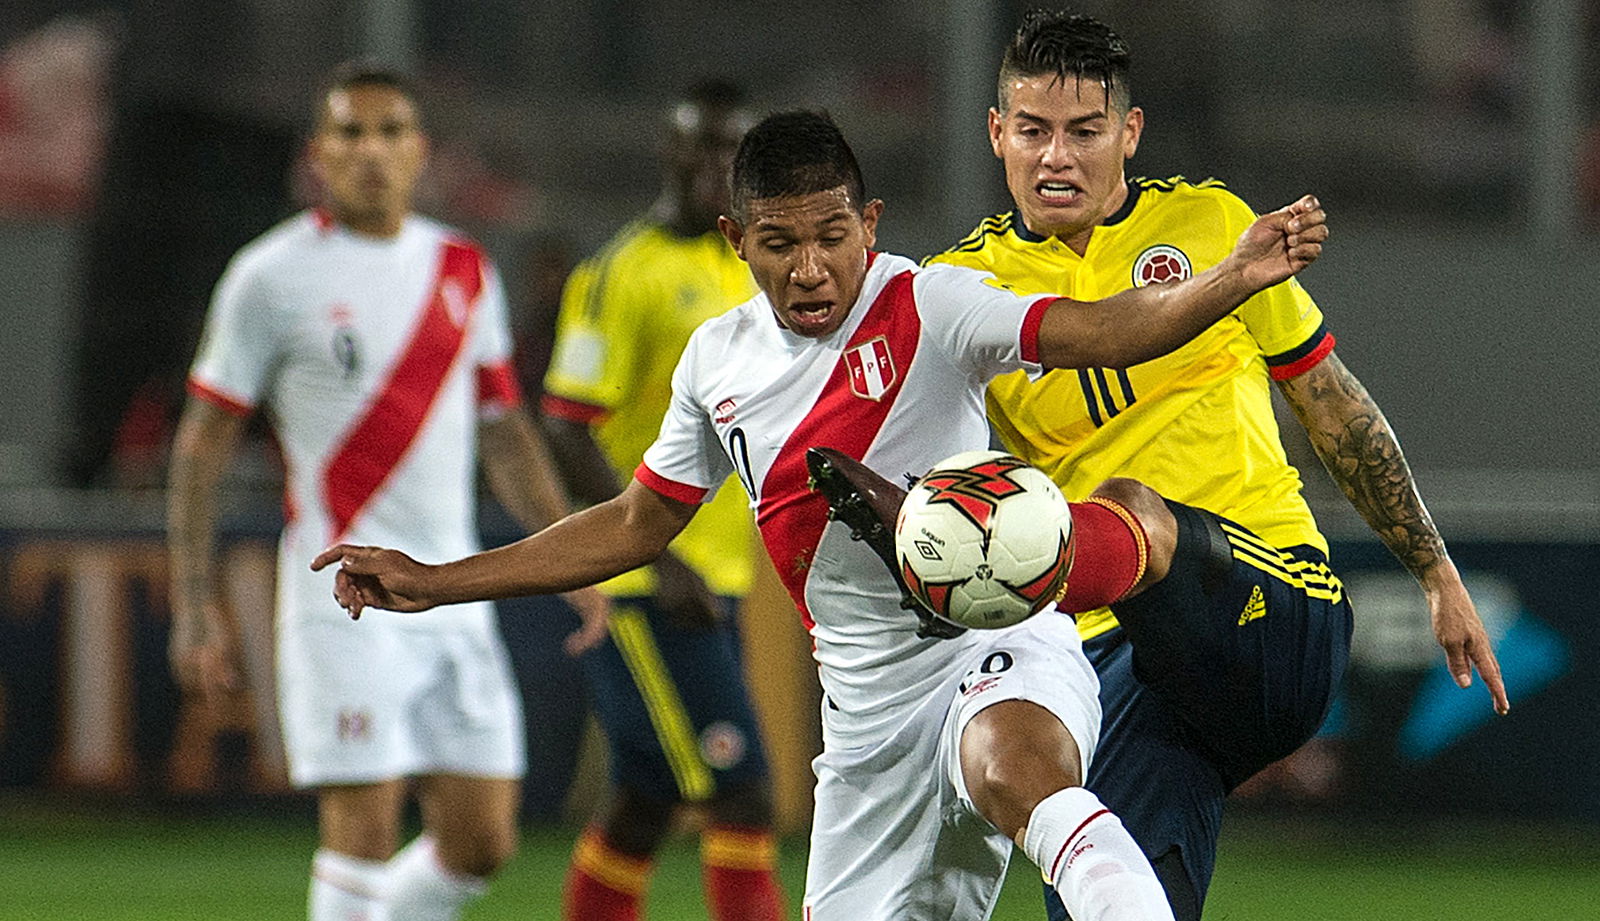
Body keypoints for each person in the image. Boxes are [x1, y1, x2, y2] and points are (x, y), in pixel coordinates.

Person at [311, 110, 1327, 921]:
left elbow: (1100, 331)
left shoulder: (934, 304)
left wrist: (1229, 279)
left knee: (1021, 777)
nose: (810, 268)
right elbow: (632, 523)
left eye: (833, 236)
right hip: (863, 722)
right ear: (735, 239)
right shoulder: (715, 362)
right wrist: (438, 582)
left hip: (993, 651)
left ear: (870, 224)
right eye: (780, 242)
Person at [925, 12, 1509, 921]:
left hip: (1275, 608)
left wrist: (1434, 570)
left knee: (1135, 508)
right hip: (1120, 660)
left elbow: (1331, 405)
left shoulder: (1211, 226)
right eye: (1033, 130)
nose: (1057, 157)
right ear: (997, 133)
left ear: (1130, 132)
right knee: (1112, 896)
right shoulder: (966, 291)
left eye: (1084, 132)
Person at [166, 62, 606, 921]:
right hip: (342, 591)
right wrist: (192, 598)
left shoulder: (463, 266)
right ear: (318, 153)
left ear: (420, 151)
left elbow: (505, 432)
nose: (371, 150)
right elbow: (203, 441)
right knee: (361, 825)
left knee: (481, 841)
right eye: (350, 132)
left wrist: (572, 557)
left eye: (390, 130)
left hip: (453, 590)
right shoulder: (270, 275)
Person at [537, 80, 784, 921]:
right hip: (649, 583)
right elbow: (567, 427)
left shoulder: (744, 262)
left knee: (642, 804)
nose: (720, 166)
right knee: (743, 794)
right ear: (671, 153)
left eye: (735, 151)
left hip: (720, 573)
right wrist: (658, 550)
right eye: (703, 148)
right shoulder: (619, 273)